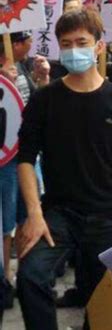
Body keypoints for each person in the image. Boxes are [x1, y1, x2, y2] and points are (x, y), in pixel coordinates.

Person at [15, 7, 112, 330]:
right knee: (30, 277)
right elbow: (26, 159)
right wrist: (34, 213)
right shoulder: (45, 100)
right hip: (58, 215)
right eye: (66, 43)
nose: (74, 50)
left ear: (99, 45)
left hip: (108, 216)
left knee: (99, 298)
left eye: (81, 41)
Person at [0, 32, 49, 309]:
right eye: (27, 39)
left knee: (24, 216)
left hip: (26, 155)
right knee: (5, 224)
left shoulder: (24, 68)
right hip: (4, 161)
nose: (32, 43)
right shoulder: (7, 70)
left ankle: (20, 277)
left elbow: (33, 109)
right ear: (14, 43)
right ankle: (4, 279)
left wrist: (42, 81)